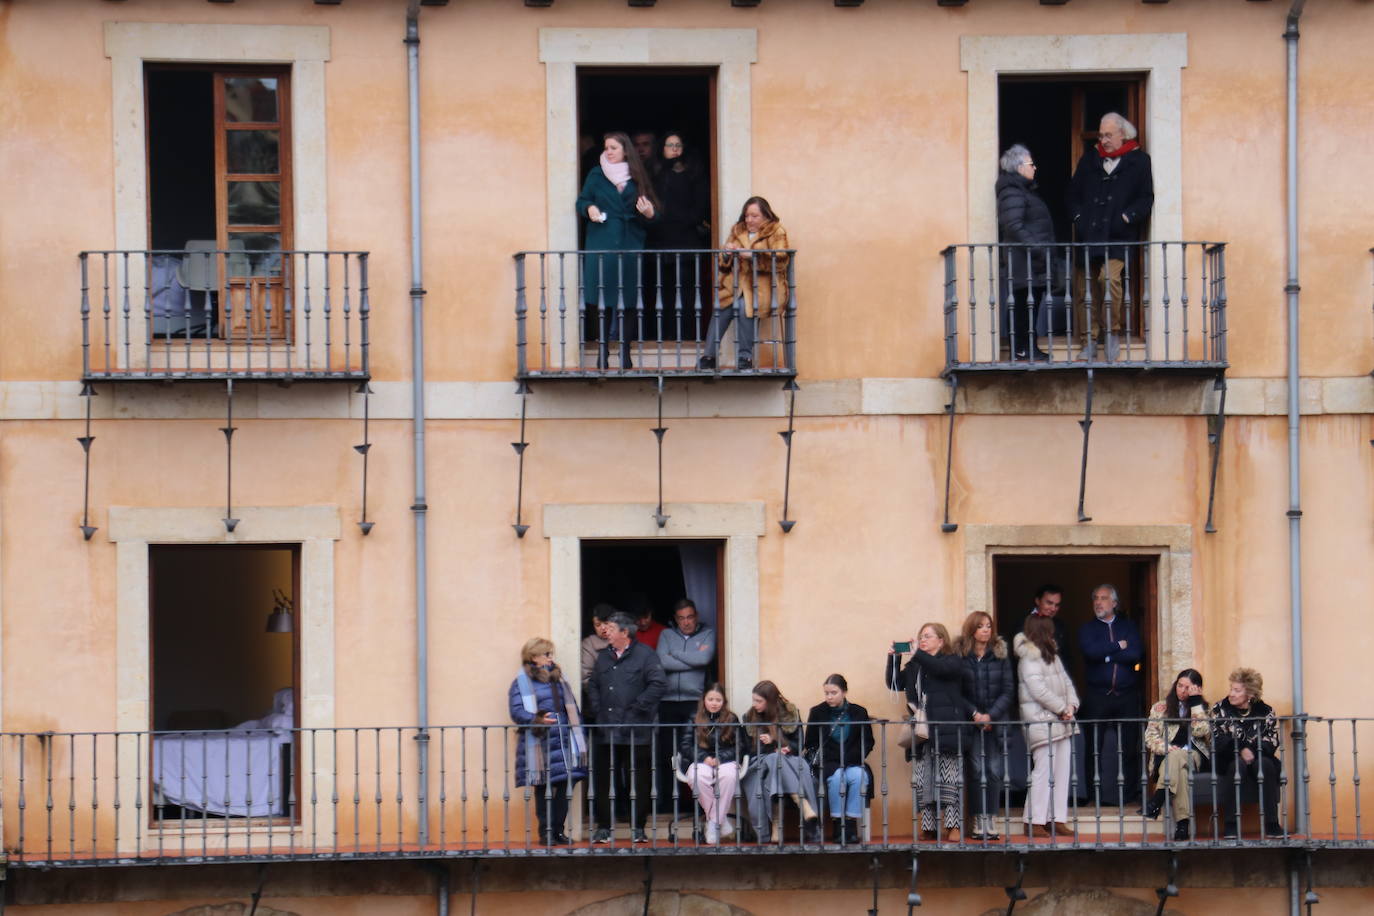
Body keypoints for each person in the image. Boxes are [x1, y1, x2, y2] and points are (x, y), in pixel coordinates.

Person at [1068, 112, 1154, 360]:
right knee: (1084, 288)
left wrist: (1126, 218)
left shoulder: (1139, 161)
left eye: (1108, 135)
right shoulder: (1090, 159)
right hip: (1088, 236)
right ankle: (1089, 341)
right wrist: (1078, 218)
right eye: (1101, 135)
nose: (1103, 140)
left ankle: (1112, 332)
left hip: (1117, 237)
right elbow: (1072, 195)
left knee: (1109, 280)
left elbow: (1146, 197)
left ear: (1123, 135)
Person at [577, 131, 660, 370]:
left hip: (630, 245)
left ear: (625, 151)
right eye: (606, 148)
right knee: (601, 301)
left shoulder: (638, 176)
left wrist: (649, 214)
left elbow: (655, 212)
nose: (609, 152)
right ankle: (602, 354)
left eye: (613, 147)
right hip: (601, 243)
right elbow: (581, 201)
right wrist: (589, 207)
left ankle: (625, 354)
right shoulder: (596, 174)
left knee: (629, 301)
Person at [886, 622, 975, 841]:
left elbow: (940, 669)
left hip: (948, 729)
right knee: (924, 778)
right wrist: (893, 658)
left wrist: (917, 654)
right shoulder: (916, 665)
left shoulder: (952, 661)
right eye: (920, 637)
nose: (922, 640)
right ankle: (929, 827)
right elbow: (894, 683)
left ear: (941, 640)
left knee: (950, 778)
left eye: (927, 636)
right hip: (923, 731)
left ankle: (953, 826)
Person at [585, 611, 667, 844]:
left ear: (625, 632)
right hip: (606, 727)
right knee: (602, 779)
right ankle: (603, 827)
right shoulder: (603, 657)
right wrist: (598, 708)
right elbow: (593, 684)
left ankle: (638, 828)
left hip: (636, 729)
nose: (606, 632)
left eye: (611, 628)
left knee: (639, 780)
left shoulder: (646, 656)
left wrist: (637, 709)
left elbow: (659, 684)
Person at [508, 638, 587, 845]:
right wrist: (537, 719)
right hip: (540, 739)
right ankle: (546, 833)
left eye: (551, 654)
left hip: (564, 738)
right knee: (543, 787)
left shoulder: (559, 678)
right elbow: (516, 711)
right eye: (547, 654)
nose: (551, 658)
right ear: (533, 657)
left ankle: (558, 830)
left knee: (566, 782)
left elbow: (571, 707)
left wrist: (579, 733)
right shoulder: (522, 682)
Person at [698, 196, 790, 372]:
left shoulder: (776, 231)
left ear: (766, 216)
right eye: (747, 215)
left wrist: (754, 255)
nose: (749, 220)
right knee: (721, 307)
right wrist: (727, 254)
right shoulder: (738, 230)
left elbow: (781, 261)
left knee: (743, 307)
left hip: (764, 288)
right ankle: (708, 356)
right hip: (736, 285)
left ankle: (744, 357)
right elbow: (723, 265)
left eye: (754, 216)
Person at [1077, 584, 1144, 804]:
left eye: (1104, 598)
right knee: (1093, 748)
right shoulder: (1088, 629)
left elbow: (1135, 653)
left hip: (1126, 695)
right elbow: (1090, 652)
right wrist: (1117, 646)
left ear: (1114, 603)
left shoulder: (1129, 626)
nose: (1098, 602)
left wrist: (1106, 654)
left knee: (1129, 748)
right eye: (1095, 598)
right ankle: (1092, 797)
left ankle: (1129, 797)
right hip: (1098, 695)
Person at [1015, 615, 1079, 837]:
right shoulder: (1028, 658)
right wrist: (1063, 709)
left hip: (1061, 720)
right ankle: (1033, 820)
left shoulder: (1053, 655)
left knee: (1062, 770)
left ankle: (1056, 818)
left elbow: (1067, 682)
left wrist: (1071, 705)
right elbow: (1039, 690)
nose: (1053, 634)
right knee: (1043, 771)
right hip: (1041, 721)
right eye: (1049, 631)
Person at [954, 612, 1014, 841]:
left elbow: (1008, 690)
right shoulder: (962, 657)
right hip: (972, 723)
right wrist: (975, 715)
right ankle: (979, 819)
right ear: (972, 630)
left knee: (994, 771)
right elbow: (958, 692)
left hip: (995, 723)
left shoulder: (1000, 655)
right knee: (977, 770)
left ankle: (992, 818)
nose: (986, 630)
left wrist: (991, 715)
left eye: (989, 626)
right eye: (981, 626)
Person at [740, 680, 822, 843]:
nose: (755, 704)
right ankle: (801, 801)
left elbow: (798, 745)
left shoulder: (790, 714)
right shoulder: (749, 717)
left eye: (759, 701)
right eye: (754, 700)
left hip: (788, 760)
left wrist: (781, 744)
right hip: (759, 763)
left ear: (770, 701)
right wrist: (771, 746)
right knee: (773, 758)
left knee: (777, 766)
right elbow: (747, 749)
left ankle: (776, 828)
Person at [996, 144, 1055, 361]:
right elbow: (1013, 225)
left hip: (1031, 261)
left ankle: (1028, 347)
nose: (1035, 168)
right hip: (1024, 261)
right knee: (1023, 306)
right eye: (1031, 164)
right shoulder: (1012, 191)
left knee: (1029, 306)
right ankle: (1022, 349)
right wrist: (1036, 248)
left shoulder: (1022, 190)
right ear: (1019, 166)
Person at [656, 599, 716, 805]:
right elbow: (662, 661)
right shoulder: (666, 635)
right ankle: (666, 801)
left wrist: (676, 655)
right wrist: (691, 658)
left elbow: (704, 659)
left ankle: (693, 803)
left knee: (692, 750)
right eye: (681, 618)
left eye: (690, 617)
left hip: (695, 702)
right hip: (667, 702)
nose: (686, 622)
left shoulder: (707, 633)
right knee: (666, 752)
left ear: (696, 616)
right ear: (676, 619)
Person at [1211, 667, 1283, 839]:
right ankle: (1231, 824)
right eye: (1231, 689)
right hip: (1229, 758)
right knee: (1237, 766)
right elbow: (1218, 739)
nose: (1231, 694)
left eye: (1237, 690)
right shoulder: (1220, 709)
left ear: (1250, 694)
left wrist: (1251, 751)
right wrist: (1241, 748)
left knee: (1265, 764)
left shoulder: (1266, 712)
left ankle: (1272, 824)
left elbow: (1272, 740)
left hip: (1259, 757)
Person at [647, 131, 710, 325]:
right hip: (659, 244)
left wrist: (677, 220)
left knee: (685, 293)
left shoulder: (695, 174)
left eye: (678, 145)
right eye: (670, 145)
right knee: (659, 293)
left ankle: (686, 334)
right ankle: (662, 335)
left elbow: (699, 210)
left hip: (686, 245)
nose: (674, 150)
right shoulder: (653, 174)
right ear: (662, 149)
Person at [803, 674, 874, 845]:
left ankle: (850, 826)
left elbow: (868, 740)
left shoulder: (859, 712)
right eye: (826, 693)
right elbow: (810, 743)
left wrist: (853, 757)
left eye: (833, 693)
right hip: (829, 763)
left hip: (853, 761)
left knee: (859, 776)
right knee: (837, 778)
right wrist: (834, 759)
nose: (829, 697)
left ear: (844, 692)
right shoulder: (817, 712)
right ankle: (838, 825)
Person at [1144, 668, 1211, 841]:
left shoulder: (1204, 709)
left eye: (1187, 687)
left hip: (1193, 756)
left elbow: (1200, 731)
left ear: (1197, 689)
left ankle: (1157, 798)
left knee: (1178, 756)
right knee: (1177, 766)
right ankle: (1183, 825)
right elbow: (1150, 737)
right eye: (1179, 685)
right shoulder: (1160, 707)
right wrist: (1166, 747)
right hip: (1166, 757)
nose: (1182, 690)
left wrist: (1196, 703)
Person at [679, 683, 741, 845]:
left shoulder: (732, 718)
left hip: (726, 761)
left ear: (724, 702)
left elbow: (740, 746)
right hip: (700, 761)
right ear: (704, 700)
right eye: (711, 699)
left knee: (728, 776)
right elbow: (685, 745)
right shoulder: (694, 718)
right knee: (697, 777)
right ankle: (721, 821)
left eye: (718, 700)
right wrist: (704, 757)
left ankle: (713, 824)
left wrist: (721, 758)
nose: (714, 703)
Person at [580, 604, 615, 689]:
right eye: (598, 624)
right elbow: (585, 679)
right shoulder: (588, 644)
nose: (603, 627)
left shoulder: (624, 638)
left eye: (606, 623)